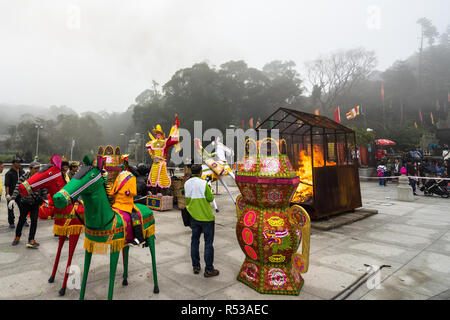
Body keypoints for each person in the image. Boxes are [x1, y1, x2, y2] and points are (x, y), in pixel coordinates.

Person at [184, 164, 219, 277]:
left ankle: (196, 266)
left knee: (195, 241)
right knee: (208, 243)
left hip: (193, 217)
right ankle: (209, 269)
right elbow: (210, 198)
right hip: (206, 218)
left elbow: (187, 201)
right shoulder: (204, 183)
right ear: (200, 172)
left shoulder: (186, 183)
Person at [9, 162, 47, 248]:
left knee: (34, 221)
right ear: (30, 169)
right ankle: (17, 237)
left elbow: (43, 188)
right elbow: (17, 188)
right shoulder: (24, 177)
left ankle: (31, 239)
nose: (37, 170)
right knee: (22, 220)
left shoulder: (40, 178)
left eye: (38, 168)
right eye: (35, 168)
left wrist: (45, 198)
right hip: (25, 203)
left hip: (35, 203)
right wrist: (13, 199)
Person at [4, 158, 25, 228]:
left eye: (20, 162)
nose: (19, 164)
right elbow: (7, 185)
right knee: (10, 209)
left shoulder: (22, 172)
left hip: (20, 194)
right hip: (11, 194)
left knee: (23, 208)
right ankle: (11, 222)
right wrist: (7, 194)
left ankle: (24, 220)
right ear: (13, 163)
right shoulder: (9, 173)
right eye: (18, 162)